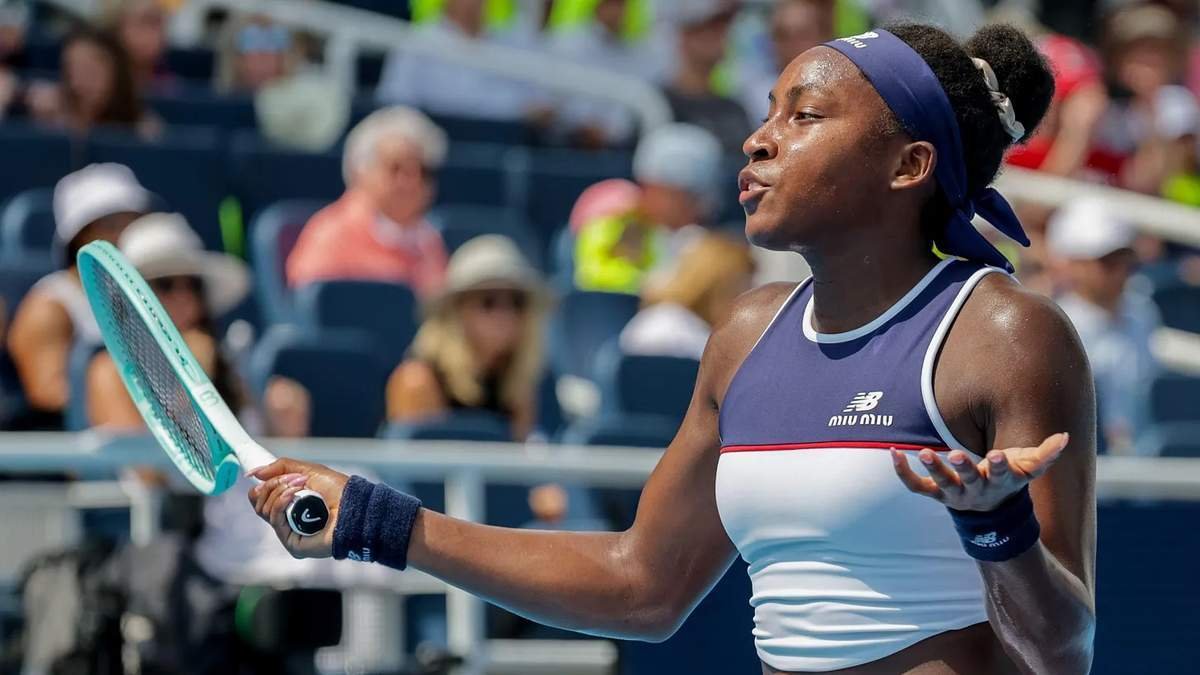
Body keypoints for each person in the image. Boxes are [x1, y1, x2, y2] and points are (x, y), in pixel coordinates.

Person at [251, 23, 1097, 674]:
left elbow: (1062, 650)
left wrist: (998, 528)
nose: (759, 139)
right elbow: (641, 584)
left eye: (804, 116)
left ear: (908, 165)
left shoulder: (1006, 335)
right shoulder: (745, 335)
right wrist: (377, 520)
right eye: (768, 112)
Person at [86, 212, 310, 437]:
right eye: (165, 284)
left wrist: (283, 425)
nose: (184, 297)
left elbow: (254, 445)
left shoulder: (225, 365)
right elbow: (140, 458)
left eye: (193, 285)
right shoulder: (109, 372)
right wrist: (193, 380)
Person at [7, 164, 150, 421]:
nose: (126, 234)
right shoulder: (49, 305)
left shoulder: (152, 293)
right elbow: (47, 392)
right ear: (80, 235)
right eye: (112, 224)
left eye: (135, 222)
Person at [387, 235, 550, 441]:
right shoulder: (418, 381)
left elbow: (518, 454)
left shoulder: (518, 384)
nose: (505, 313)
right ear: (456, 311)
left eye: (517, 302)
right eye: (488, 301)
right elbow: (418, 459)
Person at [286, 107, 449, 298]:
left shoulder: (429, 241)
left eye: (423, 171)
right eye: (395, 168)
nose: (412, 182)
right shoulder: (331, 233)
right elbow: (312, 307)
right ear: (360, 171)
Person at [1047, 198, 1160, 455]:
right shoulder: (1053, 325)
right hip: (1086, 463)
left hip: (1141, 462)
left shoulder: (1143, 313)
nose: (1120, 271)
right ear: (1071, 264)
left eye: (1125, 260)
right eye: (1107, 262)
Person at [573, 122, 721, 294]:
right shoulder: (614, 223)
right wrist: (653, 284)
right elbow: (593, 277)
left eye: (697, 199)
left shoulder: (702, 243)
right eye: (680, 196)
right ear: (647, 186)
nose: (696, 209)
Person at [375, 0, 537, 122]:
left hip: (502, 145)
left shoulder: (511, 44)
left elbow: (535, 105)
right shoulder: (417, 42)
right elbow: (395, 103)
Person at [619, 233, 755, 360]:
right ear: (710, 285)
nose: (746, 298)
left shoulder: (686, 326)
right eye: (740, 287)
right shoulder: (666, 328)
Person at [25, 26, 160, 138]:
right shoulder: (49, 116)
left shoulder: (142, 128)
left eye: (90, 70)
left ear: (116, 73)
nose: (78, 82)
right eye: (72, 70)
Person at [662, 0, 752, 153]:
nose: (718, 36)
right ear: (684, 37)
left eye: (721, 28)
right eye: (707, 29)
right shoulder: (657, 103)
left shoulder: (734, 109)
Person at [738, 0, 835, 123]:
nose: (792, 45)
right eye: (783, 35)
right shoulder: (752, 99)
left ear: (825, 36)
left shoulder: (844, 93)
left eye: (802, 35)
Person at [104, 0, 172, 93]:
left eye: (156, 24)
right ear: (117, 29)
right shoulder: (101, 84)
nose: (148, 34)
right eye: (141, 23)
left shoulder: (171, 87)